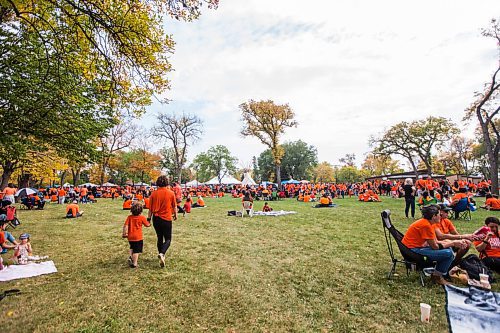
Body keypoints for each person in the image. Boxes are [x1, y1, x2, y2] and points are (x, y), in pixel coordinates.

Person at [401, 205, 468, 285]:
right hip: (412, 251)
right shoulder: (426, 225)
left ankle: (439, 273)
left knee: (449, 249)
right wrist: (453, 243)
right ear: (434, 216)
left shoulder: (429, 223)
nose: (441, 216)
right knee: (448, 254)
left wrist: (452, 242)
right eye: (439, 214)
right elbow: (435, 246)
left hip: (414, 248)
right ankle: (437, 277)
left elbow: (436, 241)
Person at [147, 175, 177, 268]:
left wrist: (148, 219)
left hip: (156, 218)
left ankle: (161, 254)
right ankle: (162, 253)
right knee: (168, 239)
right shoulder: (171, 193)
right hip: (166, 218)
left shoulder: (153, 194)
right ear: (167, 183)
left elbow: (150, 209)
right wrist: (175, 215)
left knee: (159, 238)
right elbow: (174, 206)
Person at [122, 202, 150, 268]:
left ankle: (131, 257)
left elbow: (125, 226)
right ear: (141, 211)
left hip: (130, 236)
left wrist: (124, 233)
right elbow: (147, 225)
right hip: (138, 237)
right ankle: (134, 263)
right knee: (136, 251)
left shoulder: (129, 217)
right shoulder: (142, 217)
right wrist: (149, 223)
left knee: (132, 247)